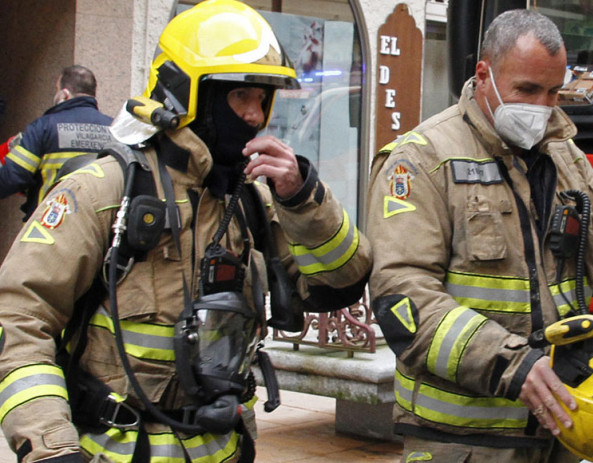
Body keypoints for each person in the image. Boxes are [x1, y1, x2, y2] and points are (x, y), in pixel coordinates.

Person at [0, 1, 371, 462]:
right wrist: (50, 446)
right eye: (241, 96)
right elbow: (18, 317)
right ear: (187, 94)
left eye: (263, 98)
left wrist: (303, 198)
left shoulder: (251, 202)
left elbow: (341, 283)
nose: (256, 116)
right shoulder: (105, 193)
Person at [366, 9, 593, 463]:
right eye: (526, 90)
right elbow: (402, 298)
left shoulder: (566, 157)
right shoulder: (420, 160)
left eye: (554, 92)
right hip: (464, 442)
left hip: (559, 430)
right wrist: (509, 364)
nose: (541, 108)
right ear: (483, 75)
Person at [0, 65, 114, 221]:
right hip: (97, 226)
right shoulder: (114, 129)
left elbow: (13, 176)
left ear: (64, 94)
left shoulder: (44, 127)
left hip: (50, 223)